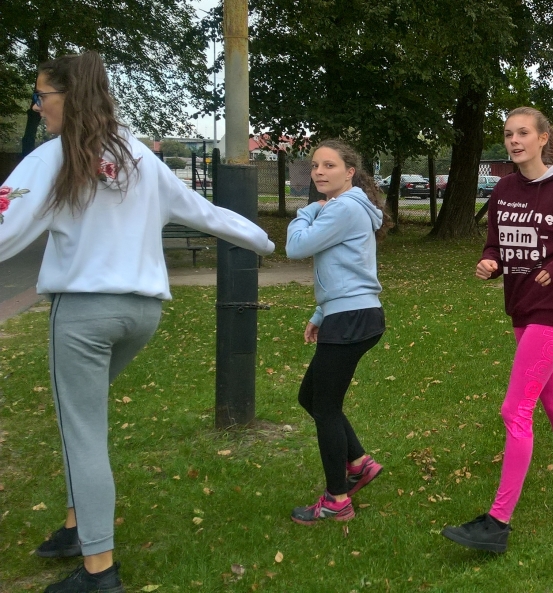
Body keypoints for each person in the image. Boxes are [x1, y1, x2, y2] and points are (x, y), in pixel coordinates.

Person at [0, 52, 275, 593]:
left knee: (82, 432)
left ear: (68, 96)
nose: (37, 106)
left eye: (41, 96)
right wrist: (261, 239)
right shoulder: (139, 158)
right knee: (81, 419)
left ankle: (99, 571)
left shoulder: (52, 157)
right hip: (141, 313)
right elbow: (205, 212)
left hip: (83, 315)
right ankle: (76, 527)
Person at [441, 107, 553, 554]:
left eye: (522, 133)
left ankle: (498, 521)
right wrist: (490, 263)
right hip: (520, 308)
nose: (514, 141)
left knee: (515, 410)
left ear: (542, 139)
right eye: (507, 134)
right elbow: (495, 243)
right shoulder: (504, 189)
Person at [285, 139, 390, 525]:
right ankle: (359, 463)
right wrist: (320, 312)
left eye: (329, 165)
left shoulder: (343, 207)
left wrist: (307, 210)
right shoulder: (348, 206)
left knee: (325, 407)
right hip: (349, 314)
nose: (319, 172)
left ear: (349, 172)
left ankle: (337, 500)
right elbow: (345, 266)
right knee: (310, 397)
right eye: (315, 165)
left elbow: (297, 247)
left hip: (352, 318)